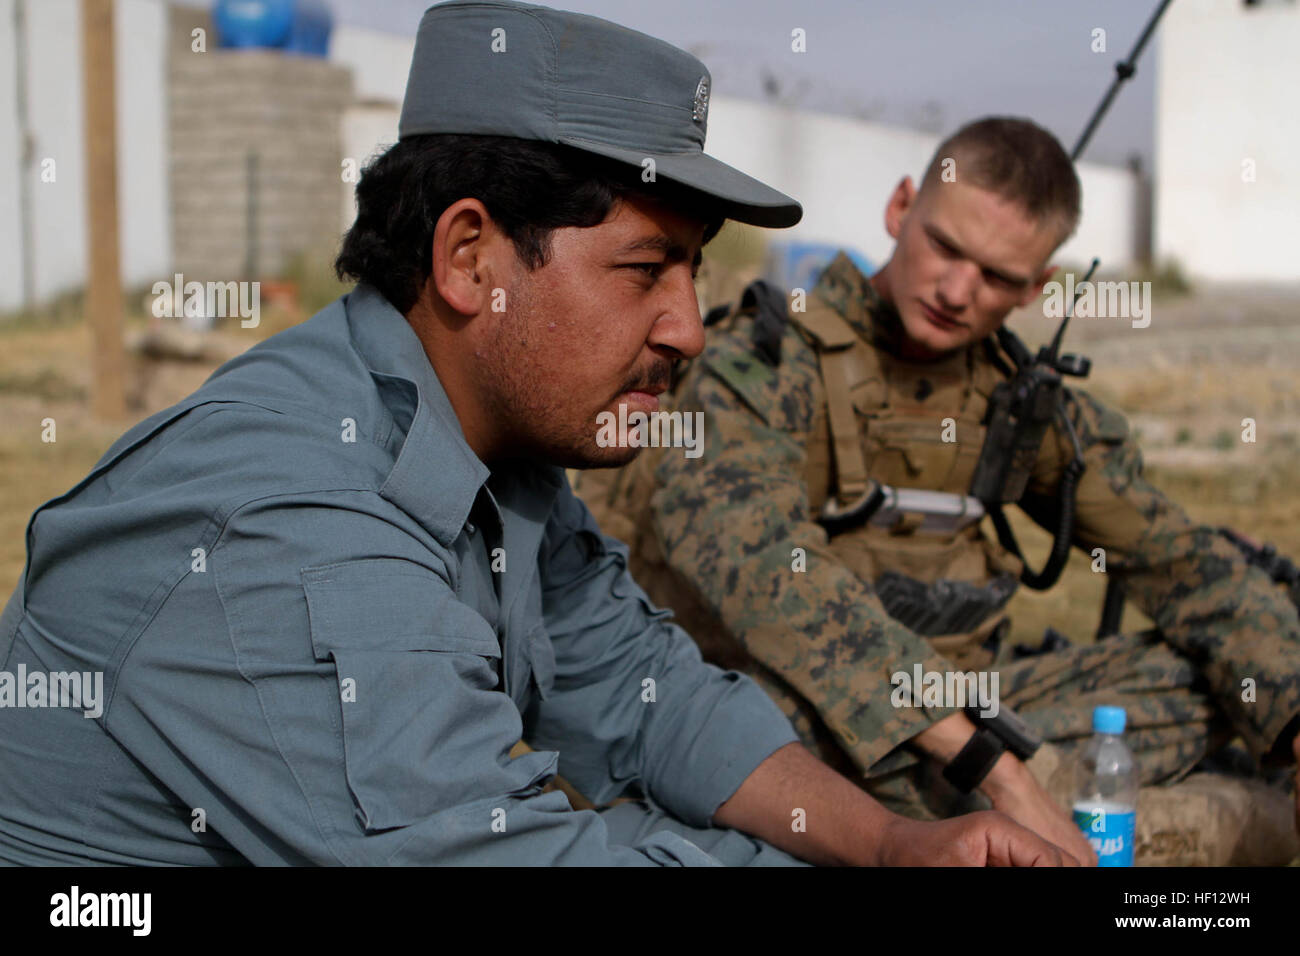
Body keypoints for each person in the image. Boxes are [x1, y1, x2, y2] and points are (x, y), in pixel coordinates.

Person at [0, 2, 1073, 867]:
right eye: (644, 269)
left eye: (693, 271)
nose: (689, 327)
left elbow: (651, 694)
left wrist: (893, 844)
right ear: (470, 258)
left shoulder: (485, 445)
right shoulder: (285, 521)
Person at [580, 116, 1300, 866]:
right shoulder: (764, 361)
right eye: (946, 248)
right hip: (776, 721)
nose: (957, 290)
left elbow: (1182, 562)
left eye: (997, 277)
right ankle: (1140, 828)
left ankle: (1065, 822)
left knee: (1234, 666)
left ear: (1038, 289)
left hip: (964, 722)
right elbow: (759, 566)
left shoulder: (1015, 403)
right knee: (788, 724)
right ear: (900, 209)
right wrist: (995, 766)